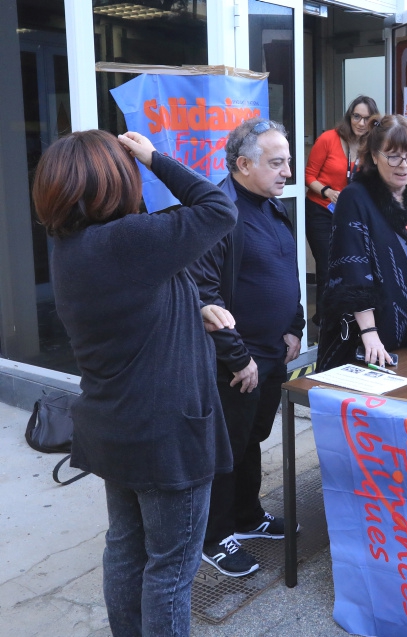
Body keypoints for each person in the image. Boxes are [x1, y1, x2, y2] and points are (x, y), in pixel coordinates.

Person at [36, 129, 237, 635]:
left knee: (125, 550)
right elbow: (219, 208)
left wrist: (193, 307)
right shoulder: (126, 240)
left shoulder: (70, 246)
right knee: (170, 569)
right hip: (165, 436)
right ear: (114, 180)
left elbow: (130, 305)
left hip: (114, 427)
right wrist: (155, 157)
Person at [190, 118, 305, 577]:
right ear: (242, 165)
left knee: (252, 439)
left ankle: (247, 515)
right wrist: (237, 357)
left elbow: (287, 269)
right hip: (237, 362)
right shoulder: (220, 214)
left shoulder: (274, 207)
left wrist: (294, 325)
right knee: (226, 449)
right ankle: (214, 536)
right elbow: (205, 294)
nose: (287, 172)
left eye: (288, 162)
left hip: (274, 354)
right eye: (277, 163)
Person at [316, 114, 407, 371]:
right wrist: (369, 332)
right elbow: (352, 271)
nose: (403, 165)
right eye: (393, 156)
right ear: (374, 156)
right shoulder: (355, 198)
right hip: (368, 341)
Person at [305, 96, 379, 325]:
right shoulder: (328, 139)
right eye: (357, 116)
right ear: (349, 116)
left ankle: (344, 320)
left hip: (350, 215)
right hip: (321, 211)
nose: (361, 123)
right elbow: (309, 176)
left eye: (366, 118)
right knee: (327, 267)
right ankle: (324, 322)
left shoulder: (372, 146)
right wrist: (327, 192)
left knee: (349, 265)